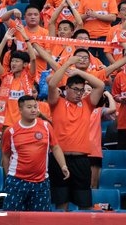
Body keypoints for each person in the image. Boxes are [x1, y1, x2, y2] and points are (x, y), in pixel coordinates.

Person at [47, 55, 106, 211]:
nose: (80, 93)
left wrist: (79, 73)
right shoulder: (57, 102)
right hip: (60, 160)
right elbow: (53, 84)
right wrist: (67, 64)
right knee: (62, 203)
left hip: (81, 160)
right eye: (76, 89)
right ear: (66, 89)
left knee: (85, 204)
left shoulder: (87, 104)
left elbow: (100, 85)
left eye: (82, 90)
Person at [1, 95, 71, 212]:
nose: (33, 110)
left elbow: (56, 147)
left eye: (35, 106)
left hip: (41, 182)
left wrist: (63, 165)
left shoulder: (45, 126)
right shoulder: (11, 131)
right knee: (11, 218)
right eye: (29, 107)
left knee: (41, 220)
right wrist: (8, 175)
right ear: (20, 110)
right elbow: (6, 155)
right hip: (16, 181)